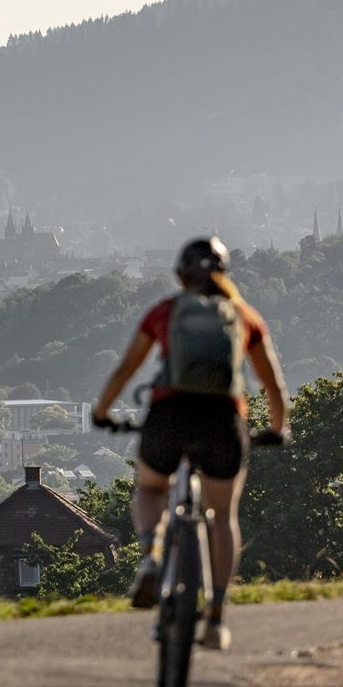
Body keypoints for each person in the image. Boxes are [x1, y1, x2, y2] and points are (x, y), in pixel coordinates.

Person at [92, 236, 289, 650]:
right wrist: (277, 427)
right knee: (221, 516)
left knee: (149, 487)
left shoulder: (165, 312)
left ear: (180, 276)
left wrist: (102, 412)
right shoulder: (242, 315)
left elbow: (126, 368)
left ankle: (150, 554)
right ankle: (216, 617)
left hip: (170, 415)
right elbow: (272, 382)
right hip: (223, 421)